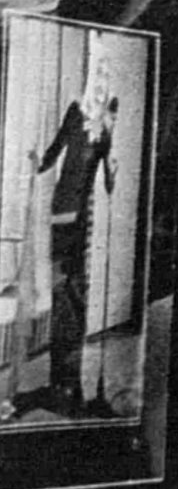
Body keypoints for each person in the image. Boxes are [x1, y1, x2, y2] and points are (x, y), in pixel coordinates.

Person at [29, 49, 118, 416]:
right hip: (60, 211)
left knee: (75, 292)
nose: (99, 88)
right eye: (96, 80)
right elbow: (53, 152)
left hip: (83, 218)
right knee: (59, 287)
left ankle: (69, 380)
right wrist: (37, 164)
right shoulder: (74, 112)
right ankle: (59, 379)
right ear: (89, 83)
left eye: (105, 82)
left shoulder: (105, 129)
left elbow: (109, 180)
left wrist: (113, 164)